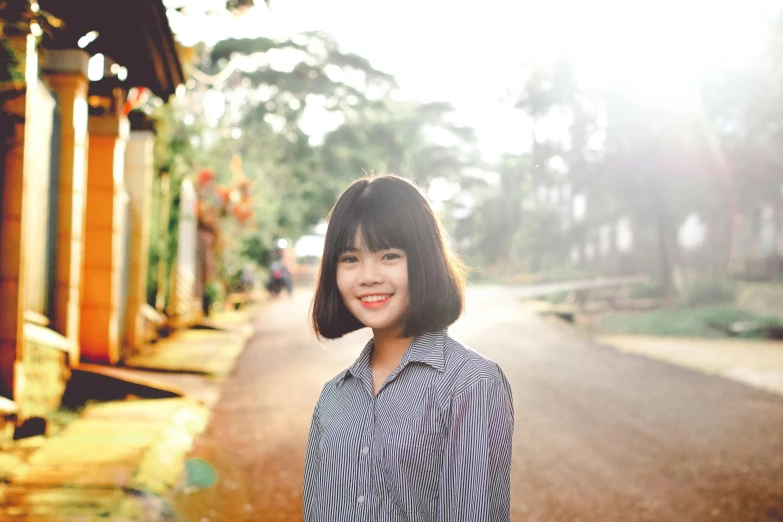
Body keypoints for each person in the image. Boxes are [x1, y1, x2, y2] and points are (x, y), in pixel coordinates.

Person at [304, 174, 514, 521]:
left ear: (423, 260)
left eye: (389, 255)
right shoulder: (332, 399)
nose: (368, 276)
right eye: (350, 258)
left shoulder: (472, 385)